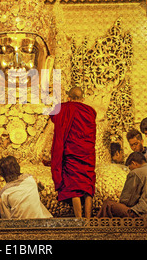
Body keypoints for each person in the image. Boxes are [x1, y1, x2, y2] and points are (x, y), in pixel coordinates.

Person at [50, 86, 97, 218]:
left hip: (72, 153)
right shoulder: (90, 111)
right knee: (87, 186)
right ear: (82, 98)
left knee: (74, 187)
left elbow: (53, 116)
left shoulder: (64, 108)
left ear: (69, 98)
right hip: (87, 153)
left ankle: (79, 220)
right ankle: (88, 220)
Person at [96, 152, 147, 219]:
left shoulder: (136, 172)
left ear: (133, 163)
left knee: (108, 204)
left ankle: (97, 232)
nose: (130, 170)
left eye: (130, 168)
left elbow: (126, 201)